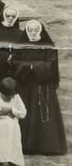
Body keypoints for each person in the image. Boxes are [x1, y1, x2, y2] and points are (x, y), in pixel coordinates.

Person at [14, 19, 67, 155]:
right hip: (25, 84)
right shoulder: (20, 45)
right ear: (26, 31)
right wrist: (31, 66)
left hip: (43, 85)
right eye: (30, 30)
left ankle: (46, 146)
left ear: (41, 31)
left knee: (43, 113)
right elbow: (15, 62)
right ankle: (25, 146)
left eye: (35, 30)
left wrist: (31, 66)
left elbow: (51, 64)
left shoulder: (48, 46)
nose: (33, 33)